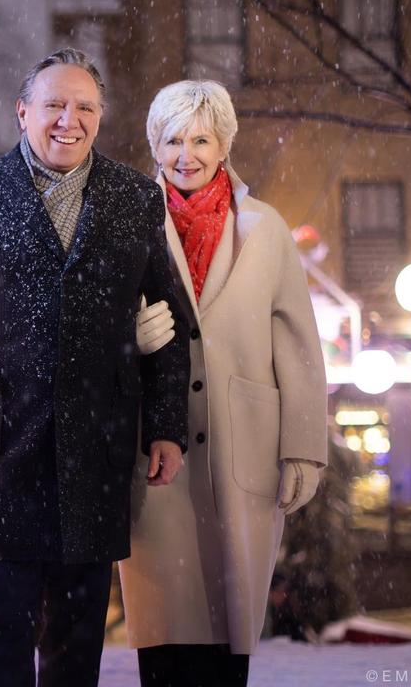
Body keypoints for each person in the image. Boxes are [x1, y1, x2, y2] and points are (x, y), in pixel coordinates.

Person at [0, 48, 190, 687]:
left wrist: (166, 423)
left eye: (85, 106)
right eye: (54, 104)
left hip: (99, 440)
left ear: (101, 116)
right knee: (3, 618)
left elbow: (171, 317)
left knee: (79, 628)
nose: (69, 119)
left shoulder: (134, 197)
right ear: (22, 111)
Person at [119, 80, 328, 687]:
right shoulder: (127, 219)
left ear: (224, 144)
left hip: (247, 443)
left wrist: (304, 449)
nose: (187, 154)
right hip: (156, 445)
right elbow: (92, 320)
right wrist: (126, 336)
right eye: (173, 139)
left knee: (230, 619)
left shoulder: (265, 227)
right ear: (155, 146)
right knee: (164, 621)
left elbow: (297, 344)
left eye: (201, 139)